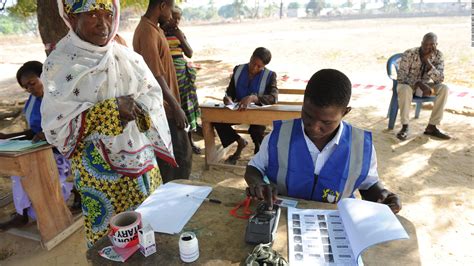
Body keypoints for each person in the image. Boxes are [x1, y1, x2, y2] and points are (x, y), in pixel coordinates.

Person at [41, 0, 176, 247]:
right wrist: (110, 109)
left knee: (151, 231)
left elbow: (152, 95)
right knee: (111, 241)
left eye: (107, 14)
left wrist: (136, 107)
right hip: (99, 174)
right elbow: (55, 125)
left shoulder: (126, 56)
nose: (103, 23)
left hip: (142, 165)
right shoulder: (59, 65)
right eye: (92, 14)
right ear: (71, 18)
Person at [244, 69, 401, 214]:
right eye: (308, 115)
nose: (314, 127)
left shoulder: (360, 146)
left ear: (345, 112)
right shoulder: (280, 136)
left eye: (326, 122)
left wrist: (382, 195)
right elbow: (253, 168)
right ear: (304, 102)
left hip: (336, 222)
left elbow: (369, 185)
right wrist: (258, 183)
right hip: (284, 217)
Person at [0, 61, 73, 230]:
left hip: (64, 152)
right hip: (41, 150)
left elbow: (71, 127)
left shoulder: (60, 98)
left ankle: (23, 214)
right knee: (20, 171)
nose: (30, 89)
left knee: (26, 174)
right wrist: (8, 136)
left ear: (44, 77)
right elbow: (33, 131)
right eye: (26, 87)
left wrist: (49, 136)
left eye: (32, 83)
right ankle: (22, 213)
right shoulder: (32, 101)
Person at [133, 0, 192, 183]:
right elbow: (156, 75)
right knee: (179, 158)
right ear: (162, 6)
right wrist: (175, 107)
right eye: (171, 9)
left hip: (168, 105)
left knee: (181, 156)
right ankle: (174, 199)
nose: (172, 14)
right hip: (163, 108)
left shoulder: (156, 29)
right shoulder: (147, 31)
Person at [214, 47, 278, 164]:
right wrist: (227, 98)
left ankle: (258, 160)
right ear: (251, 57)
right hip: (237, 111)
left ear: (264, 66)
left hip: (256, 115)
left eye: (259, 66)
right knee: (217, 120)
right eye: (253, 63)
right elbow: (230, 91)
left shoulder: (270, 76)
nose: (254, 68)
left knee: (256, 131)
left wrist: (254, 98)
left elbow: (273, 98)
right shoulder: (238, 70)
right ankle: (240, 142)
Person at [162, 6, 201, 154]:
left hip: (183, 76)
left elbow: (189, 53)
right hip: (168, 76)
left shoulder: (179, 33)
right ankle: (176, 145)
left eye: (178, 18)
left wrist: (179, 35)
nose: (176, 21)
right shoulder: (159, 33)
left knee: (186, 108)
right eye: (173, 17)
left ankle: (189, 142)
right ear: (166, 15)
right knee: (173, 110)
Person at [396, 32, 450, 140]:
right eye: (425, 44)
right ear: (421, 43)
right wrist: (419, 84)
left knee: (444, 89)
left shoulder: (438, 55)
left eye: (431, 44)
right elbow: (401, 77)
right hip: (408, 85)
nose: (428, 47)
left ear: (436, 44)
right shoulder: (409, 53)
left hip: (426, 86)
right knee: (405, 89)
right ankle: (405, 127)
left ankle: (432, 127)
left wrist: (428, 62)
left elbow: (439, 79)